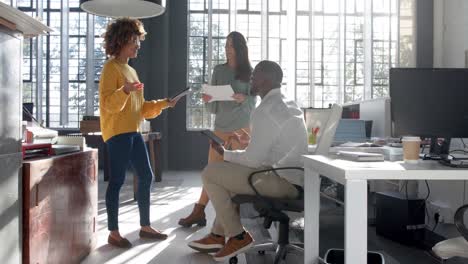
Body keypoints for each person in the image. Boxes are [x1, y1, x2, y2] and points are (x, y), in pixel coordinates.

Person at [187, 60, 308, 261]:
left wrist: (225, 153)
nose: (251, 79)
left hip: (282, 181)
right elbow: (273, 149)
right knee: (228, 176)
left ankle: (238, 236)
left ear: (266, 80)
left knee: (211, 172)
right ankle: (217, 235)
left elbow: (252, 161)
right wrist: (249, 142)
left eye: (255, 76)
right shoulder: (286, 103)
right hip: (293, 177)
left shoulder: (265, 110)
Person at [99, 18, 179, 248]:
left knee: (146, 176)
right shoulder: (110, 68)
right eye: (134, 40)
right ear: (121, 40)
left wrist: (165, 103)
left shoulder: (131, 71)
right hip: (117, 133)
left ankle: (145, 226)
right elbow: (108, 104)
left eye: (138, 40)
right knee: (117, 181)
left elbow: (141, 108)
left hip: (134, 132)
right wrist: (123, 90)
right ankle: (113, 232)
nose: (138, 45)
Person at [178, 31, 256, 227]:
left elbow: (254, 101)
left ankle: (230, 218)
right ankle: (199, 211)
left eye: (231, 45)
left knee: (236, 173)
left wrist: (244, 98)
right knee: (212, 170)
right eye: (226, 45)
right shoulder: (219, 71)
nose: (227, 49)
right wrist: (207, 99)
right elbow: (212, 106)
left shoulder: (250, 72)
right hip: (221, 127)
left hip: (242, 129)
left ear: (240, 48)